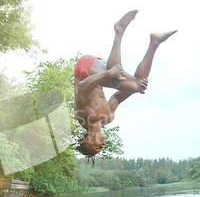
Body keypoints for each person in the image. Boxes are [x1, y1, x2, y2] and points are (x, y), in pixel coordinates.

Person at [74, 10, 176, 156]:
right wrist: (135, 91)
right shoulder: (108, 117)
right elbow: (117, 97)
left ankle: (119, 30)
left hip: (84, 69)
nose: (101, 147)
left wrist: (108, 74)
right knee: (138, 84)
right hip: (101, 71)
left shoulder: (82, 116)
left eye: (96, 147)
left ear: (88, 139)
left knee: (115, 79)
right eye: (100, 149)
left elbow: (83, 87)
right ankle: (155, 42)